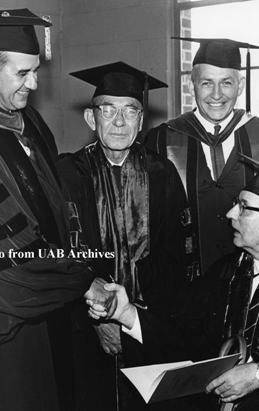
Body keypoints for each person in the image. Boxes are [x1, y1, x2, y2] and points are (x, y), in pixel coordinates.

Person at [0, 9, 116, 411]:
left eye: (36, 70)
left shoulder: (28, 122)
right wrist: (80, 282)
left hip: (46, 305)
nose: (35, 82)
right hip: (4, 323)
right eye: (23, 72)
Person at [89, 154, 259, 411]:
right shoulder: (228, 271)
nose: (229, 213)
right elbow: (186, 336)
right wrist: (129, 315)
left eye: (243, 207)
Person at [57, 61, 197, 411]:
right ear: (92, 119)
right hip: (85, 330)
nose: (119, 122)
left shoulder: (161, 174)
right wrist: (99, 321)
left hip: (148, 327)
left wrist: (136, 320)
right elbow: (62, 259)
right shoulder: (66, 175)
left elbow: (176, 262)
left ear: (141, 121)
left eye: (130, 111)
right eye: (108, 110)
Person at [145, 38, 259, 275]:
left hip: (251, 278)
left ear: (240, 85)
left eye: (226, 82)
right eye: (206, 83)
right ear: (192, 86)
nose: (216, 94)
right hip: (182, 282)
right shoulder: (162, 140)